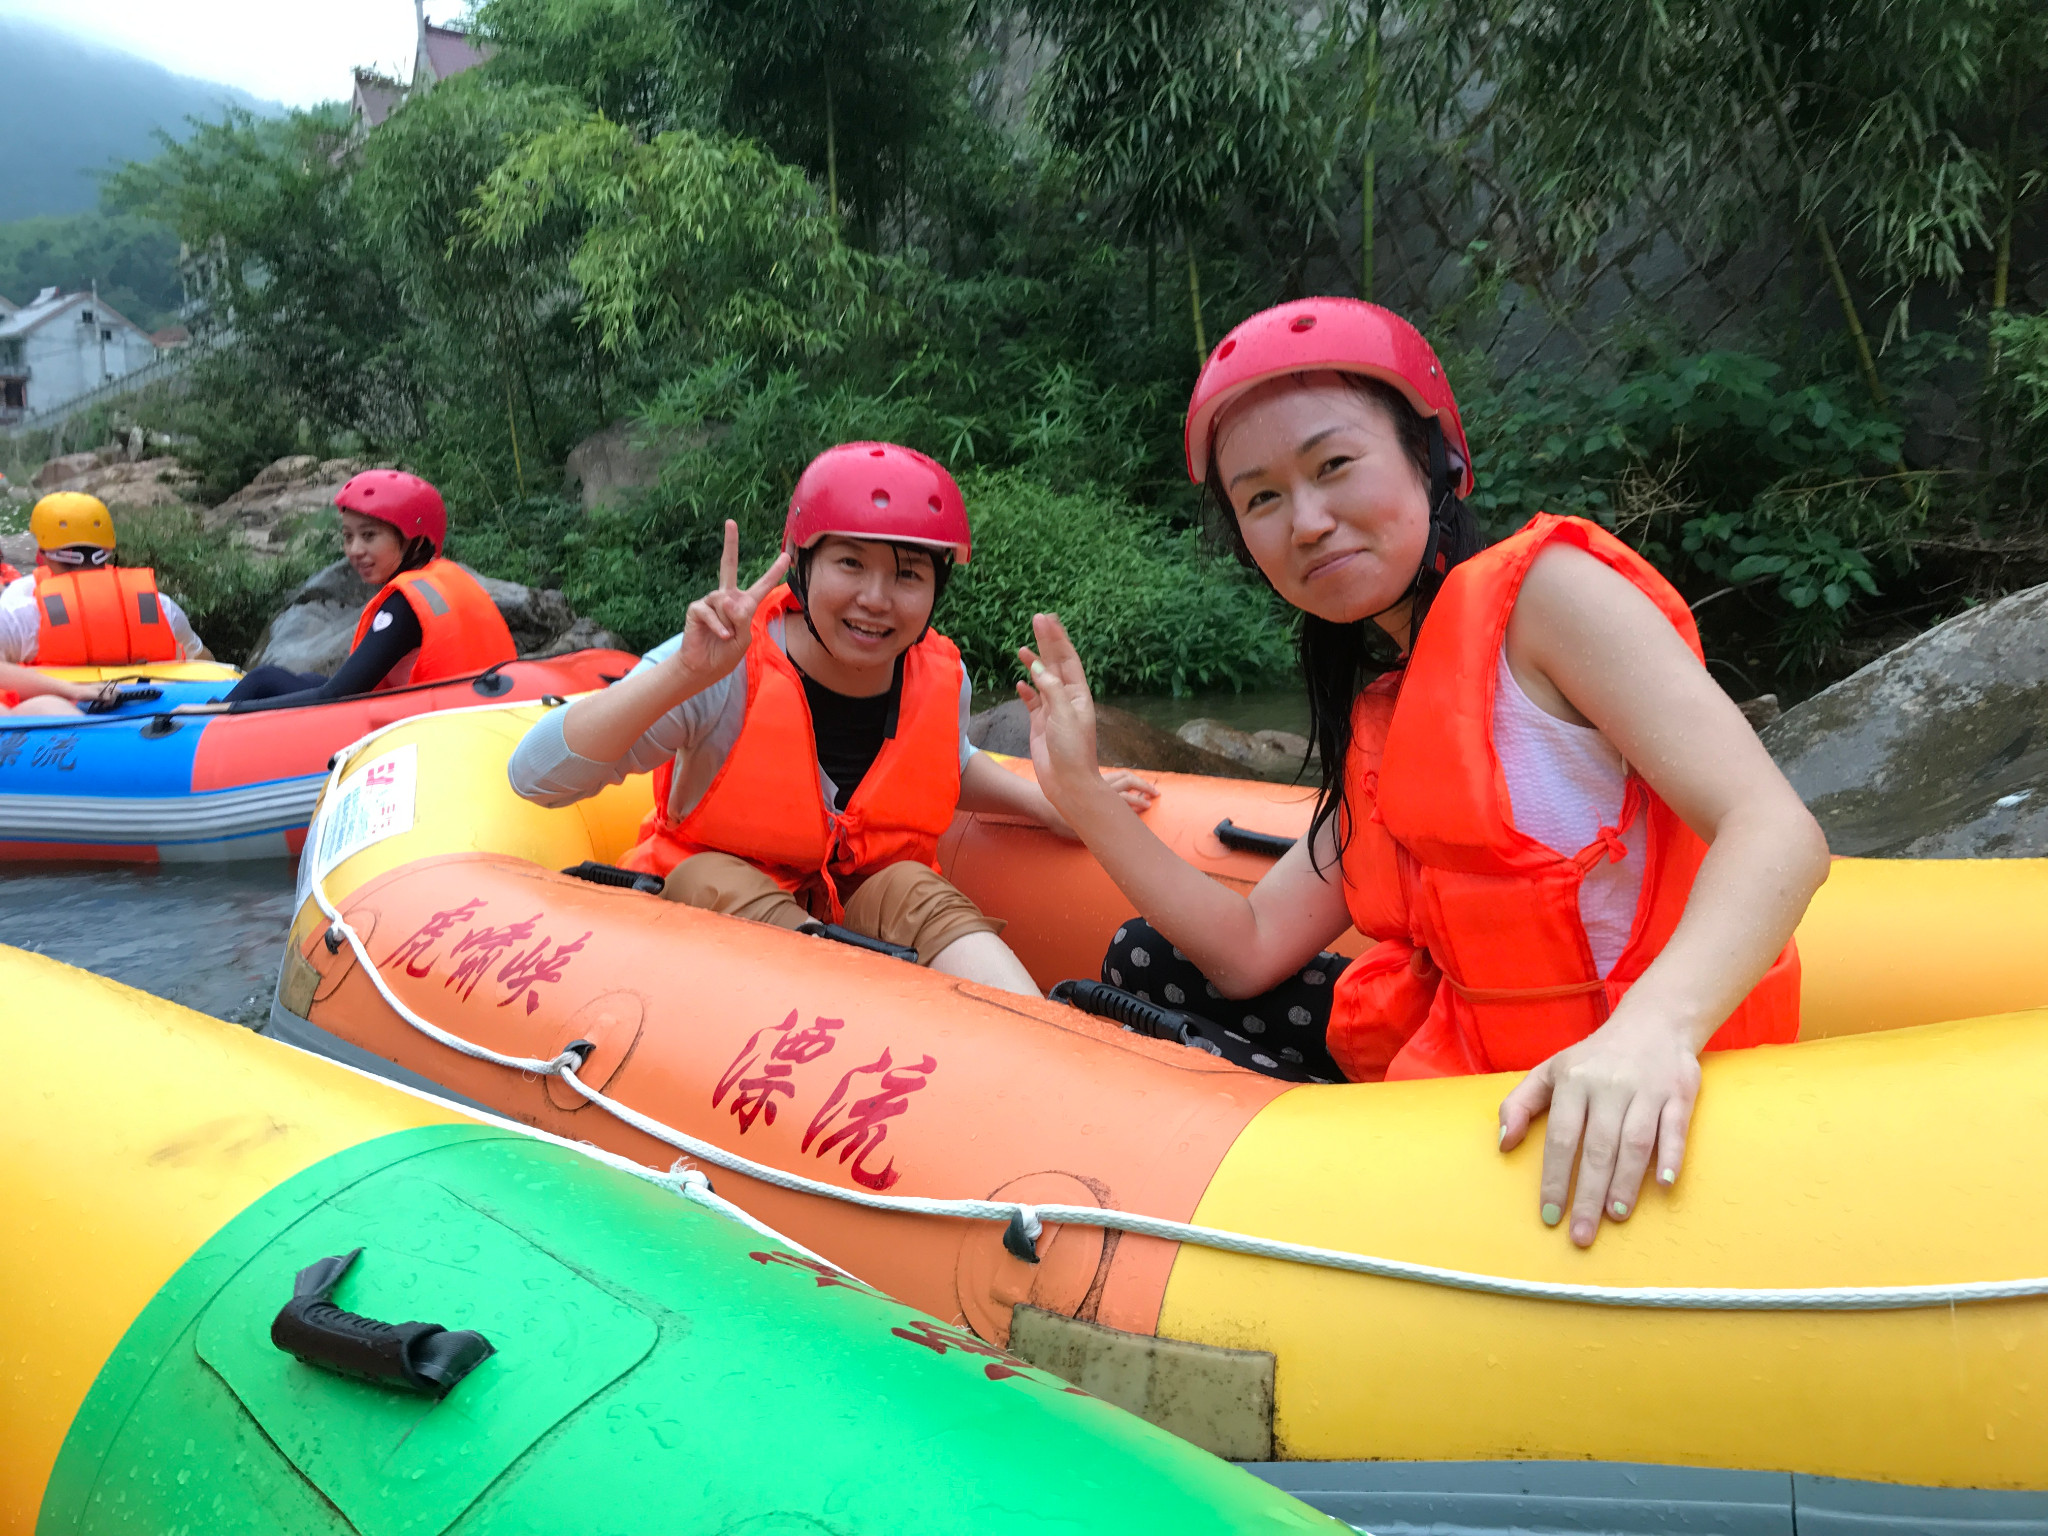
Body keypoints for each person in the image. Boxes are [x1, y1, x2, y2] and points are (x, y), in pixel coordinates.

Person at [1019, 298, 1829, 1246]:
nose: (1309, 522)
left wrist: (1652, 1033)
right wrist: (1080, 792)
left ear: (1433, 459)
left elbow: (1776, 830)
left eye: (1334, 466)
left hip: (1607, 1072)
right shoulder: (1394, 707)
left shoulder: (1548, 599)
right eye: (1262, 498)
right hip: (1467, 1083)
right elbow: (1243, 950)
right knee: (1138, 967)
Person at [508, 441, 1156, 997]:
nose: (875, 600)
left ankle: (1033, 1034)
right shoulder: (719, 662)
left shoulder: (939, 673)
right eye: (850, 563)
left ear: (936, 590)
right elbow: (534, 777)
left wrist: (1051, 803)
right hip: (712, 913)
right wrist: (683, 675)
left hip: (850, 902)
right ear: (803, 565)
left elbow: (944, 765)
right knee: (715, 877)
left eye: (907, 574)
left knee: (912, 885)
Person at [223, 470, 516, 709]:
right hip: (475, 708)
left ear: (414, 540)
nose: (354, 550)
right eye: (348, 536)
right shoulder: (445, 577)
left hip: (434, 727)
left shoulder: (404, 606)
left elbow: (336, 697)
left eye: (369, 535)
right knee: (278, 679)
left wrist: (220, 712)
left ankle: (198, 728)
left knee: (264, 681)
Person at [0, 493, 211, 667]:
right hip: (147, 709)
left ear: (41, 556)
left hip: (55, 711)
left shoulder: (19, 610)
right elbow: (205, 663)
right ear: (108, 551)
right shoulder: (159, 606)